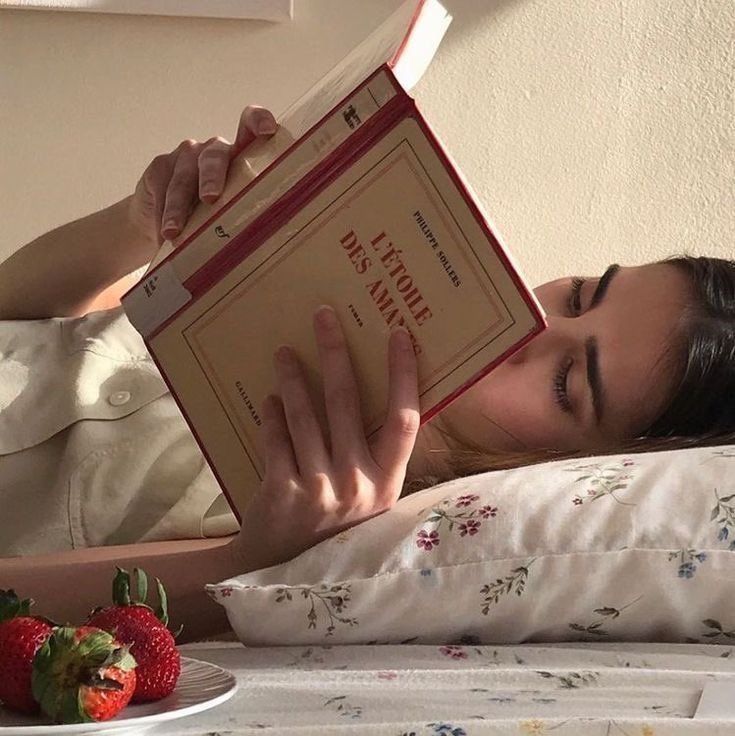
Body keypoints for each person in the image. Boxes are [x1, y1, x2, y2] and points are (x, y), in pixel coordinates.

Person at [1, 105, 733, 641]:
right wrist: (140, 221)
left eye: (565, 383)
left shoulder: (334, 522)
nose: (536, 326)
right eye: (578, 295)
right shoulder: (336, 303)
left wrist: (249, 558)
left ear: (578, 468)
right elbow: (29, 324)